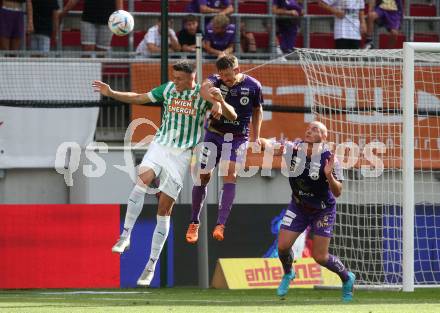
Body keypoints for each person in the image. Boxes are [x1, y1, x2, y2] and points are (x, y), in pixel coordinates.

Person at [92, 60, 237, 287]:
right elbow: (139, 97)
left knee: (164, 209)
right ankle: (125, 235)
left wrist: (220, 102)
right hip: (160, 145)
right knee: (143, 179)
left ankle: (150, 265)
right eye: (174, 77)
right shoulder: (168, 90)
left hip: (180, 156)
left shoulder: (203, 94)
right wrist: (111, 92)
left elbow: (231, 116)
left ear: (192, 78)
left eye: (179, 78)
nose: (175, 82)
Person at [260, 122, 355, 302]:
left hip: (322, 210)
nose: (310, 130)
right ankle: (288, 273)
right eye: (309, 128)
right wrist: (260, 141)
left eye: (316, 129)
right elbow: (270, 146)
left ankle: (347, 278)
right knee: (282, 246)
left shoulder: (331, 160)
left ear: (324, 137)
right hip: (298, 206)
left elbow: (338, 192)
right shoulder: (292, 148)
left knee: (320, 257)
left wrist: (329, 176)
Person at [186, 55, 263, 244]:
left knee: (230, 173)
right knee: (203, 176)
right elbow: (204, 88)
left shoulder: (253, 86)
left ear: (237, 70)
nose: (225, 80)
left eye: (228, 76)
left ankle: (220, 224)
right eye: (222, 76)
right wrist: (216, 102)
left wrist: (257, 135)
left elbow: (257, 110)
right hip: (213, 134)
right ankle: (194, 221)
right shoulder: (216, 81)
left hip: (237, 138)